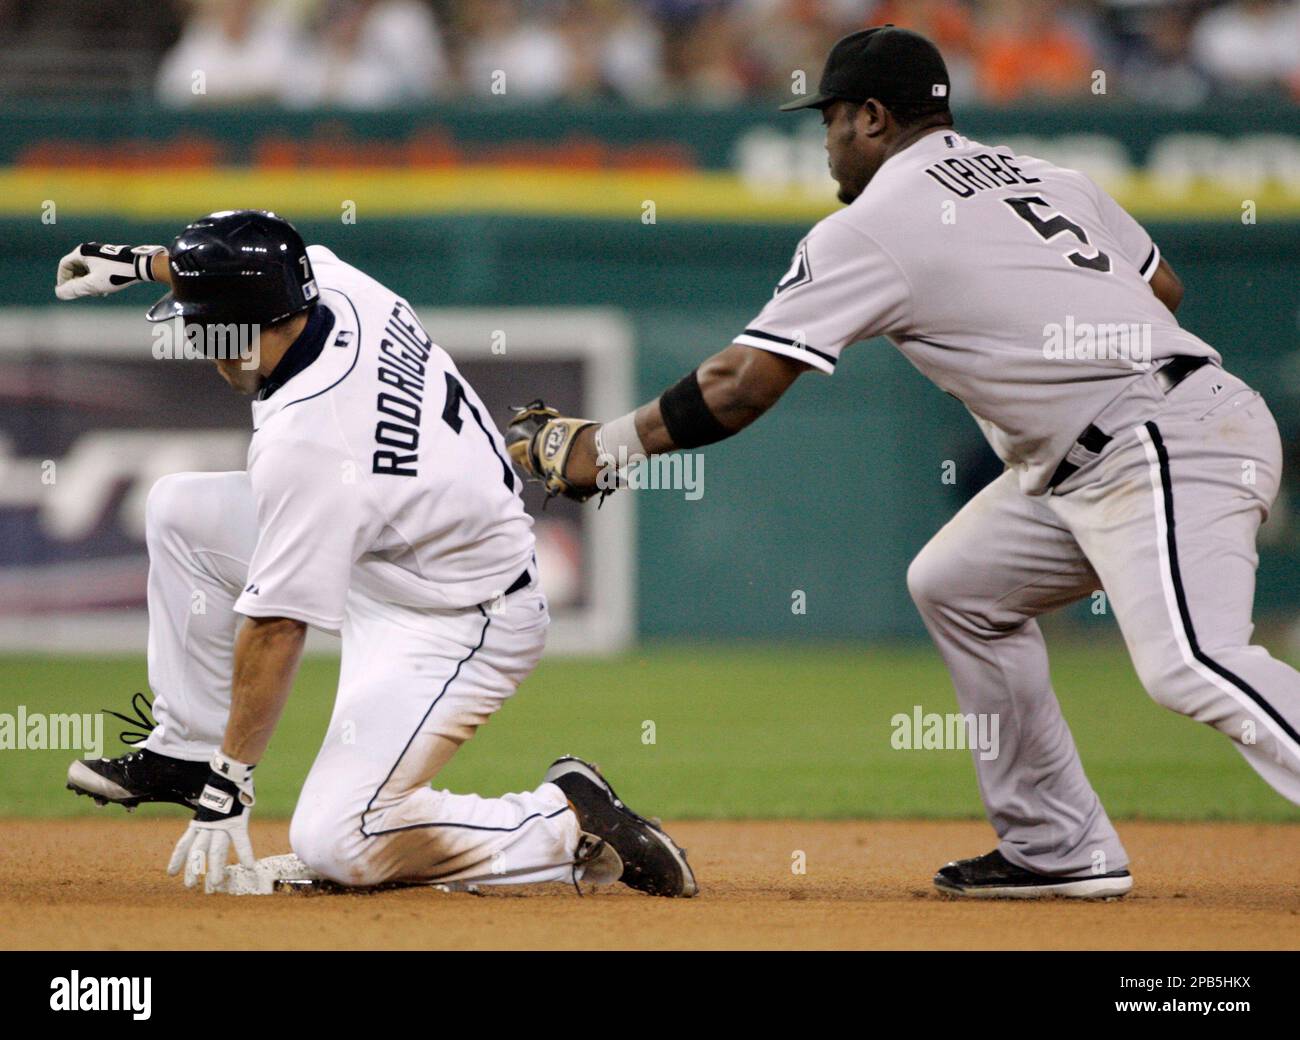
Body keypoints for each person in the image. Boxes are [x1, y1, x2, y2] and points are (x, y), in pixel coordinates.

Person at [506, 26, 1300, 899]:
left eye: (833, 121)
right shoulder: (1053, 177)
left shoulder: (875, 222)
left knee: (1191, 660)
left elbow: (739, 386)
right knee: (958, 584)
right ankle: (1057, 844)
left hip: (1158, 442)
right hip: (1120, 442)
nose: (827, 143)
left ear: (875, 118)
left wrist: (606, 449)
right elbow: (1164, 291)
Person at [54, 213, 696, 898]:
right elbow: (246, 265)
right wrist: (138, 262)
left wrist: (230, 784)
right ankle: (183, 750)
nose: (198, 345)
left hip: (458, 619)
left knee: (337, 840)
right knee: (179, 509)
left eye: (202, 327)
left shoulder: (309, 438)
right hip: (391, 551)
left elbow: (277, 627)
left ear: (240, 326)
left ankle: (568, 820)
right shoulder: (329, 282)